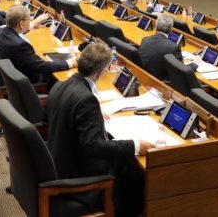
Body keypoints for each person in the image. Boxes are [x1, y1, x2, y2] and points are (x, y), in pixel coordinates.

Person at [46, 42, 153, 216]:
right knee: (136, 174)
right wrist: (136, 145)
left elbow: (51, 118)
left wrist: (93, 116)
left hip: (58, 160)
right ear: (102, 72)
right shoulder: (86, 99)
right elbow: (93, 147)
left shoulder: (60, 85)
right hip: (78, 177)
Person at [0, 5, 73, 88]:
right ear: (21, 23)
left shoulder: (1, 30)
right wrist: (70, 63)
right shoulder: (20, 46)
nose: (31, 20)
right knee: (61, 78)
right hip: (27, 82)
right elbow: (43, 66)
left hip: (10, 74)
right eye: (29, 19)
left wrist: (32, 24)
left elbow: (16, 33)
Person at [139, 15, 183, 82]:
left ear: (156, 27)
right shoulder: (174, 47)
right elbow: (181, 70)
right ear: (171, 29)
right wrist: (194, 65)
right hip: (159, 82)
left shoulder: (145, 40)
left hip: (143, 76)